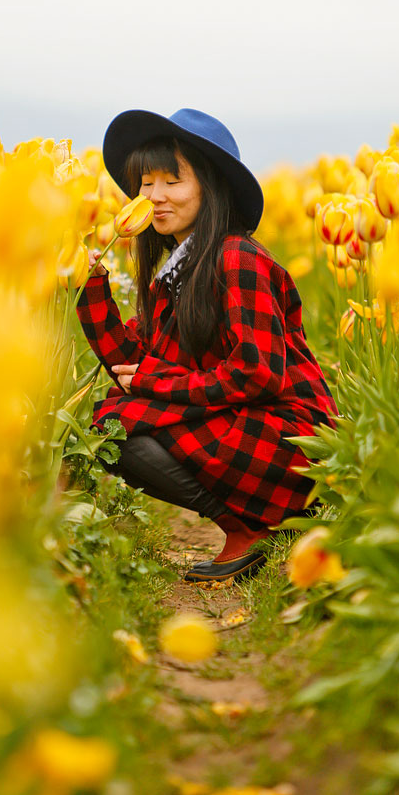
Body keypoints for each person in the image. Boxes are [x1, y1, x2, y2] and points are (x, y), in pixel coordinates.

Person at [76, 108, 337, 583]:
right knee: (114, 421)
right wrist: (89, 287)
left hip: (294, 437)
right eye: (145, 183)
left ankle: (258, 527)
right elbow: (133, 366)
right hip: (249, 422)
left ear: (210, 186)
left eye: (171, 182)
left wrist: (158, 383)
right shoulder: (177, 272)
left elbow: (258, 373)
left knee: (124, 417)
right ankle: (247, 526)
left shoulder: (237, 259)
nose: (153, 197)